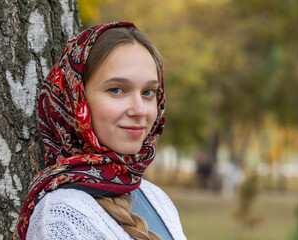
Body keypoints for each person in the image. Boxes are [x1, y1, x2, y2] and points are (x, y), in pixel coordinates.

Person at [12, 22, 186, 240]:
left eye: (149, 92)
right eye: (116, 90)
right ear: (75, 99)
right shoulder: (61, 215)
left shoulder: (154, 197)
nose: (140, 110)